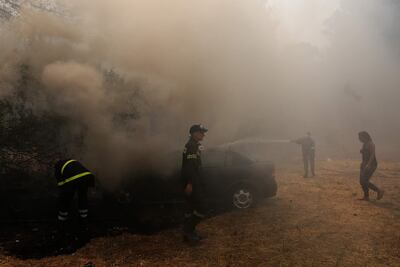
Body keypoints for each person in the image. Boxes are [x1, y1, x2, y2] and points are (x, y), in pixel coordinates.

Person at [55, 158, 95, 246]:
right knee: (82, 197)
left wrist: (64, 194)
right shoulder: (73, 161)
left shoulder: (57, 167)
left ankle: (61, 222)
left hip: (73, 180)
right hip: (88, 176)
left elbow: (61, 185)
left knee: (66, 199)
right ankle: (83, 219)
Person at [182, 124, 208, 245]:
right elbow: (190, 167)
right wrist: (190, 183)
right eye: (201, 132)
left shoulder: (194, 145)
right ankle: (188, 231)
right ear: (194, 133)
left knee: (192, 207)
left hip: (194, 180)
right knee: (202, 207)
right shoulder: (192, 146)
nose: (203, 134)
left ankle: (190, 233)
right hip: (192, 181)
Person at [358, 131, 384, 201]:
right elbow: (365, 154)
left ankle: (379, 190)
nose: (359, 139)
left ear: (364, 137)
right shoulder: (364, 144)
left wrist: (368, 165)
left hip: (371, 164)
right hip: (364, 164)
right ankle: (366, 196)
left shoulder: (371, 144)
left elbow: (372, 155)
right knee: (361, 181)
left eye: (360, 137)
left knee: (365, 180)